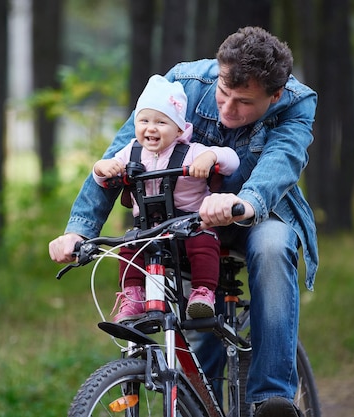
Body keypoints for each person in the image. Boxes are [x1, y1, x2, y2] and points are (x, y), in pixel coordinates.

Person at [49, 26, 318, 417]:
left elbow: (282, 160)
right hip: (184, 220)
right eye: (223, 94)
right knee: (198, 328)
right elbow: (123, 154)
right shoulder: (182, 83)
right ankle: (197, 403)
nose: (227, 110)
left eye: (244, 103)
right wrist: (79, 230)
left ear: (274, 96)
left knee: (274, 246)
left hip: (258, 213)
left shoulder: (295, 102)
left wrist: (242, 202)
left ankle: (270, 397)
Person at [91, 75, 239, 323]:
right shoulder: (130, 152)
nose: (151, 127)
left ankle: (202, 294)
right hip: (148, 229)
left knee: (203, 241)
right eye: (144, 120)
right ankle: (133, 296)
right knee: (128, 247)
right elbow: (102, 178)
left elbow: (232, 161)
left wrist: (212, 157)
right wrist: (101, 168)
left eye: (161, 122)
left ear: (179, 129)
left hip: (188, 226)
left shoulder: (192, 152)